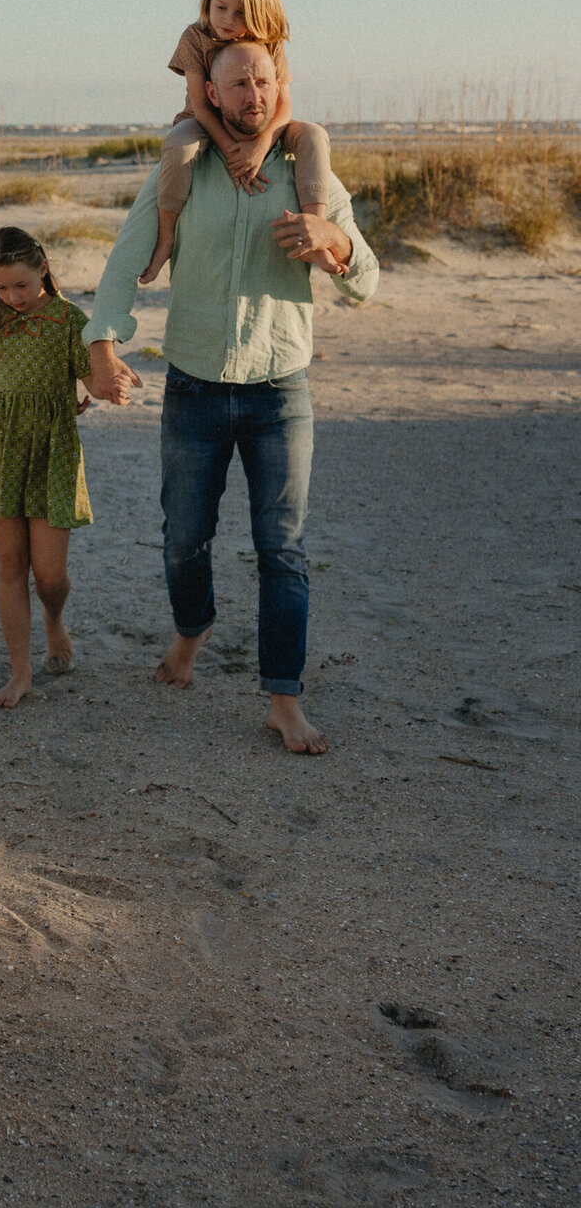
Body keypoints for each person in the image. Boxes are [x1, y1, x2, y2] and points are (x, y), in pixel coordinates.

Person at [83, 38, 379, 756]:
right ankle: (193, 629)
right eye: (238, 82)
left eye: (263, 80)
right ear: (210, 93)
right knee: (184, 538)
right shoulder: (186, 166)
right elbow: (128, 255)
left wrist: (332, 241)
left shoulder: (305, 169)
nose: (252, 93)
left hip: (281, 388)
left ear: (280, 86)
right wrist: (101, 344)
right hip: (195, 386)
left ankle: (284, 698)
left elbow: (366, 278)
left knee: (282, 547)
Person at [141, 0, 332, 287]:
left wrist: (260, 147)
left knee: (314, 135)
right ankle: (167, 236)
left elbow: (284, 106)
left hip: (262, 125)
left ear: (260, 14)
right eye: (220, 7)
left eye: (241, 12)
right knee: (179, 145)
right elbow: (201, 106)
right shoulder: (195, 38)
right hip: (204, 123)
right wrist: (231, 149)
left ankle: (315, 233)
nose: (227, 20)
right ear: (207, 2)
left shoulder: (269, 42)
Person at [0, 226, 93, 710]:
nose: (12, 296)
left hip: (52, 452)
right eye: (0, 287)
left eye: (21, 284)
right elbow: (7, 376)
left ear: (42, 267)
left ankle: (54, 620)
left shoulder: (69, 321)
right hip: (0, 447)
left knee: (50, 575)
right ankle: (21, 671)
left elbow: (90, 377)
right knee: (10, 563)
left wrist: (101, 383)